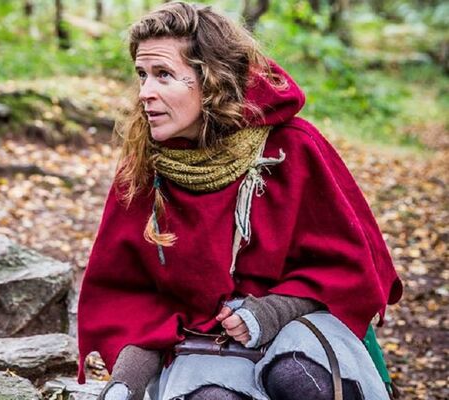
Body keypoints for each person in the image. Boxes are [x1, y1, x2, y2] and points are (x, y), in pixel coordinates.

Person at [77, 2, 402, 400]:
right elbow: (130, 297)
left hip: (300, 327)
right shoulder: (144, 169)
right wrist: (125, 382)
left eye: (164, 75)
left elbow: (346, 268)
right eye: (142, 74)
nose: (145, 93)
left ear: (212, 78)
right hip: (200, 346)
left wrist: (273, 310)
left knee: (302, 380)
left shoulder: (292, 148)